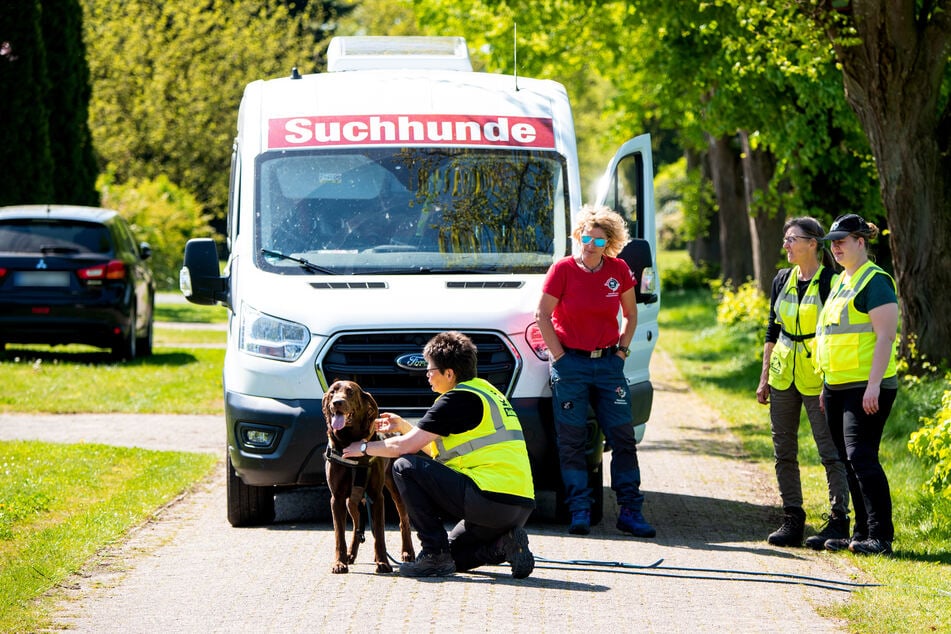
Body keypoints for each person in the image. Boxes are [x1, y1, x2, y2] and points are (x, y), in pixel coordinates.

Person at [341, 331, 536, 578]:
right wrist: (402, 426)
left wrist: (362, 448)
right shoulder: (487, 392)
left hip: (487, 498)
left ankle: (432, 554)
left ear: (449, 373)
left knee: (404, 466)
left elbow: (404, 448)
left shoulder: (455, 400)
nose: (427, 374)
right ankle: (503, 546)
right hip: (518, 506)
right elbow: (435, 449)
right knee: (453, 556)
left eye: (431, 369)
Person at [534, 204, 655, 538]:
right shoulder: (562, 270)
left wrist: (621, 353)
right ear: (578, 237)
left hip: (607, 366)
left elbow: (630, 315)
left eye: (599, 241)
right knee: (571, 442)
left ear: (610, 244)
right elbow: (542, 315)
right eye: (586, 238)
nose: (590, 245)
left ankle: (630, 511)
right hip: (570, 364)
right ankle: (579, 511)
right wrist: (559, 357)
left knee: (623, 438)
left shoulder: (619, 270)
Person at [756, 217, 850, 549]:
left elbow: (839, 334)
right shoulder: (782, 278)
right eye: (785, 239)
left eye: (792, 239)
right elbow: (772, 329)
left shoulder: (832, 282)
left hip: (819, 378)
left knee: (830, 450)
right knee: (784, 451)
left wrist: (834, 380)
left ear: (813, 243)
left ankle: (839, 519)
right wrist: (764, 376)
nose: (786, 245)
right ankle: (793, 519)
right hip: (783, 375)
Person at [815, 214, 899, 556]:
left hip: (866, 385)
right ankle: (861, 533)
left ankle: (881, 536)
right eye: (833, 241)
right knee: (847, 460)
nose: (835, 246)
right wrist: (825, 383)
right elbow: (831, 336)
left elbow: (886, 336)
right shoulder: (841, 281)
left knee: (862, 457)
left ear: (861, 242)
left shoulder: (875, 281)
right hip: (836, 385)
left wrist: (874, 385)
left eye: (842, 240)